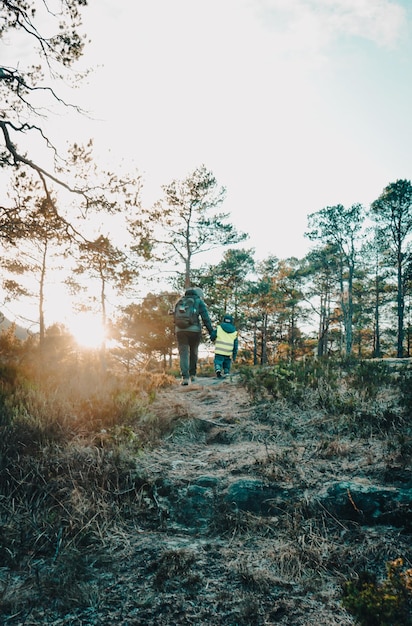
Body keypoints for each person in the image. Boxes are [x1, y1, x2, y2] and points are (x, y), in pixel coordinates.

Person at [174, 287, 214, 385]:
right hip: (194, 330)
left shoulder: (179, 301)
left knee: (183, 353)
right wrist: (211, 332)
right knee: (193, 351)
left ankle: (185, 378)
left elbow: (175, 317)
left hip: (180, 330)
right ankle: (193, 375)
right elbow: (206, 318)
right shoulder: (198, 301)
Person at [210, 314, 238, 378]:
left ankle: (218, 368)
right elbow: (236, 345)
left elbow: (213, 336)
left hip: (219, 350)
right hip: (228, 351)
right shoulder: (234, 332)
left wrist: (212, 338)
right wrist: (234, 356)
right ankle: (226, 371)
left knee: (218, 361)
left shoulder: (219, 328)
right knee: (227, 362)